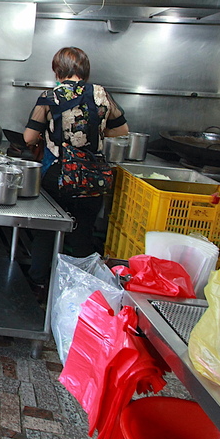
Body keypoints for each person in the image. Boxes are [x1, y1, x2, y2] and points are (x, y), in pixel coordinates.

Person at [22, 46, 129, 288]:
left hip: (59, 176)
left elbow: (29, 137)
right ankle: (77, 289)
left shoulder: (50, 97)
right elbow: (122, 129)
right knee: (83, 234)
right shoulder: (101, 94)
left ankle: (39, 283)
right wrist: (99, 131)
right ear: (84, 70)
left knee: (46, 231)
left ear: (58, 70)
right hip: (93, 177)